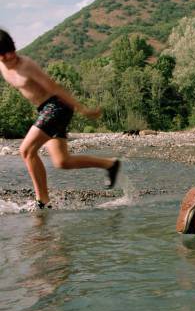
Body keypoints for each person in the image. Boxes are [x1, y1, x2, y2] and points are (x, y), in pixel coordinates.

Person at [0, 29, 121, 209]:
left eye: (12, 50)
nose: (10, 56)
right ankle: (110, 164)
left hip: (56, 106)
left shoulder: (27, 65)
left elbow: (55, 88)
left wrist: (83, 109)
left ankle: (43, 201)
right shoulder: (2, 66)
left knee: (26, 151)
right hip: (44, 110)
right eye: (4, 54)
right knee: (62, 161)